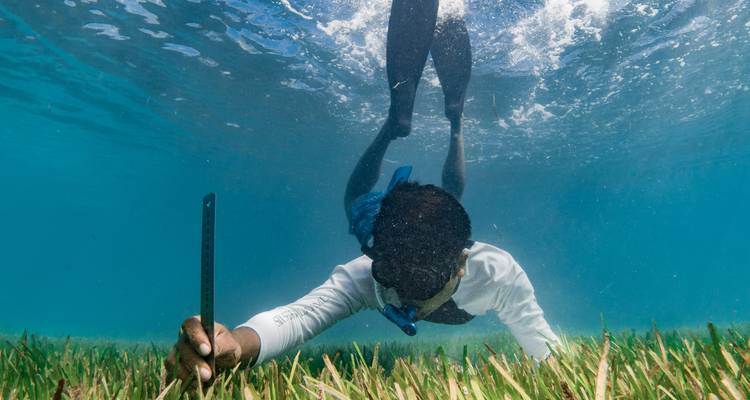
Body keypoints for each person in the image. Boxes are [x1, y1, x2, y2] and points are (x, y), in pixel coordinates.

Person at [165, 0, 559, 383]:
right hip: (385, 222)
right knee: (359, 205)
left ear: (461, 264)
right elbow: (300, 316)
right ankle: (401, 123)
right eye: (388, 271)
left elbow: (544, 350)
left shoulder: (495, 273)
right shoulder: (374, 273)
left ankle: (450, 122)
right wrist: (235, 345)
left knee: (446, 203)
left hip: (430, 228)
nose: (401, 294)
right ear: (375, 256)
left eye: (419, 280)